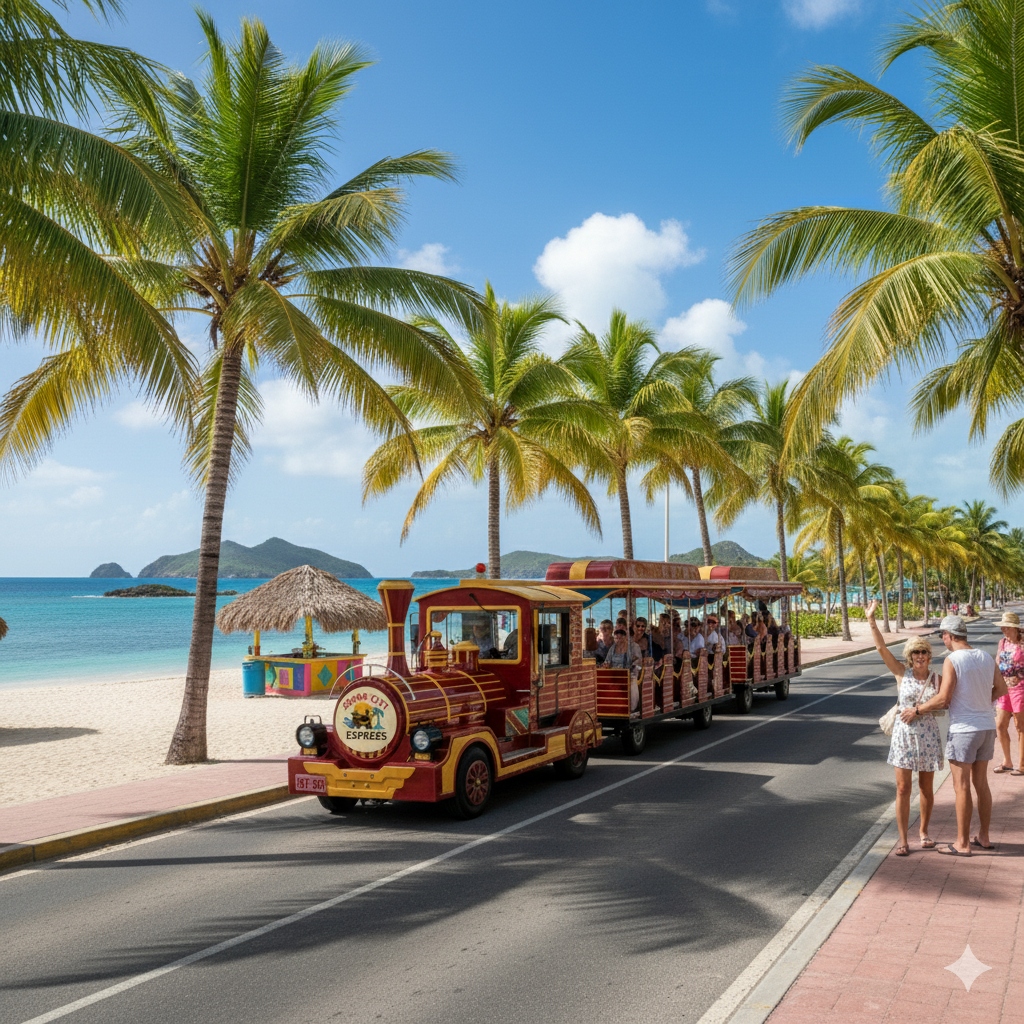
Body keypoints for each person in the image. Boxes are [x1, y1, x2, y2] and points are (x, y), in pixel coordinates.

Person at [911, 614, 1007, 856]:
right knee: (981, 784)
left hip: (964, 730)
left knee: (961, 786)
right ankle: (983, 836)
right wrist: (981, 701)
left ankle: (962, 843)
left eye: (942, 635)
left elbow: (944, 698)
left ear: (950, 636)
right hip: (986, 726)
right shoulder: (985, 656)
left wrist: (918, 709)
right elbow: (1002, 688)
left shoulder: (952, 659)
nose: (942, 639)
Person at [866, 600, 943, 856]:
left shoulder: (938, 678)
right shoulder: (902, 673)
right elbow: (880, 647)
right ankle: (902, 839)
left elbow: (946, 701)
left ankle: (924, 832)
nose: (919, 657)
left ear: (929, 656)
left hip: (928, 737)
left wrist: (920, 710)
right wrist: (871, 620)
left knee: (926, 788)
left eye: (923, 653)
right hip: (904, 737)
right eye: (915, 653)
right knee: (902, 788)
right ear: (909, 657)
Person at [994, 611, 1024, 774]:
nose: (1004, 629)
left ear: (1015, 627)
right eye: (1003, 627)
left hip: (1020, 688)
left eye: (1007, 627)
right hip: (1004, 689)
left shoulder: (1023, 642)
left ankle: (1022, 764)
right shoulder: (1002, 643)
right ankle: (1007, 761)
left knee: (1021, 727)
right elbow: (997, 663)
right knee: (1000, 725)